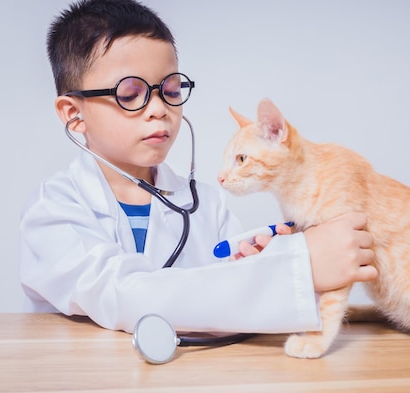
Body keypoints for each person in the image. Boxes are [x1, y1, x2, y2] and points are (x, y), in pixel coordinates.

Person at [19, 0, 377, 334]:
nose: (159, 108)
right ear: (74, 114)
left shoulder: (208, 206)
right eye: (130, 94)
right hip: (82, 388)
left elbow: (233, 295)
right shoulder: (54, 209)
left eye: (171, 89)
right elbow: (121, 295)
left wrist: (271, 258)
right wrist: (298, 267)